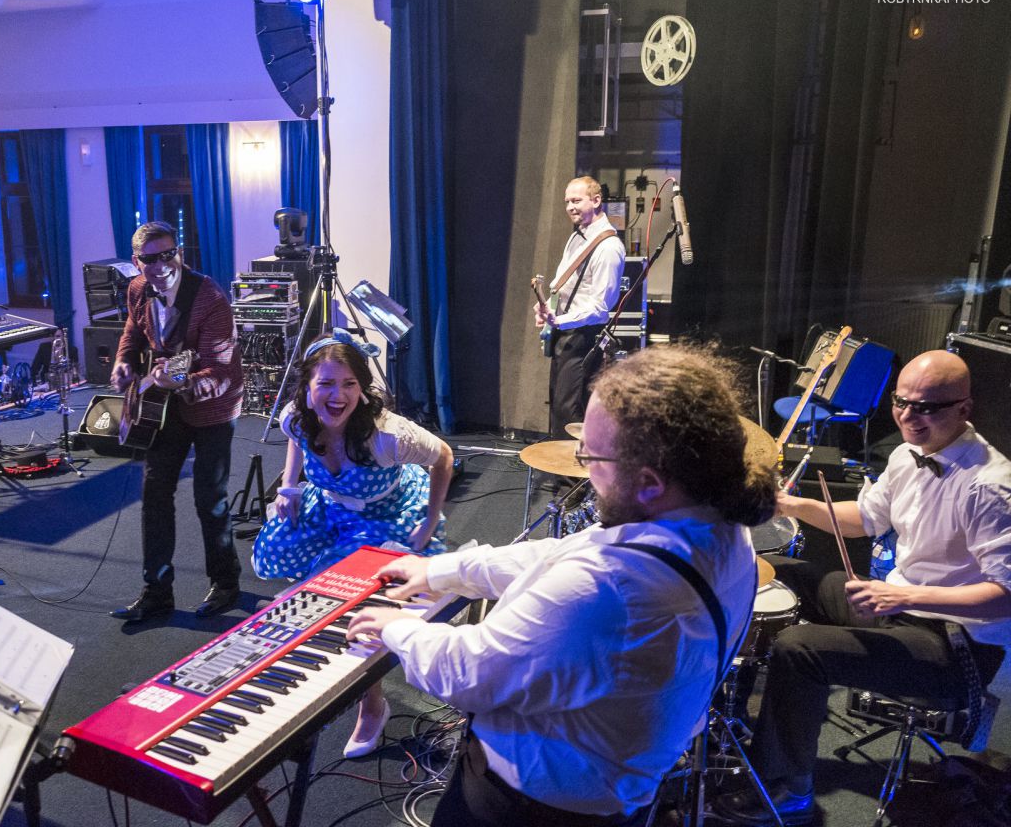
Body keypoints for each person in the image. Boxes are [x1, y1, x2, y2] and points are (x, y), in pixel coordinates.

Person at [348, 345, 774, 826]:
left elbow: (469, 676)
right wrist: (443, 571)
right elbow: (561, 553)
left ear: (651, 481)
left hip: (527, 811)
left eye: (590, 455)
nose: (584, 469)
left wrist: (397, 629)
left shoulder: (609, 588)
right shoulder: (719, 526)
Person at [716, 350, 1011, 826]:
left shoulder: (992, 486)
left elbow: (1005, 595)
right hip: (899, 609)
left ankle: (787, 790)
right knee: (769, 569)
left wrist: (904, 595)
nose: (908, 416)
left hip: (955, 646)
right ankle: (728, 711)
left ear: (964, 408)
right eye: (901, 402)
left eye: (925, 407)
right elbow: (865, 519)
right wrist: (790, 505)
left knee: (800, 649)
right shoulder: (907, 454)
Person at [252, 329, 454, 757]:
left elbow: (444, 458)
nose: (338, 395)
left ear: (361, 389)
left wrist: (431, 519)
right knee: (282, 554)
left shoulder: (389, 435)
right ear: (307, 388)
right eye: (326, 383)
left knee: (351, 605)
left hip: (386, 514)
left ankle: (372, 703)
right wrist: (289, 486)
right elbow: (296, 439)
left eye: (349, 384)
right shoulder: (295, 416)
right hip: (332, 507)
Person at [110, 221, 245, 621]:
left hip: (213, 405)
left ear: (179, 252)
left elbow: (220, 373)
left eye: (168, 255)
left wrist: (183, 381)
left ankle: (226, 583)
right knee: (154, 494)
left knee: (210, 498)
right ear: (137, 262)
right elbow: (133, 330)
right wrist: (124, 362)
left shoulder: (211, 299)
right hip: (162, 405)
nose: (161, 265)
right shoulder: (137, 288)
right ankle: (156, 591)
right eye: (150, 259)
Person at [534, 175, 626, 440]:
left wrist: (560, 321)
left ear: (596, 200)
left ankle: (572, 467)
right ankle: (557, 464)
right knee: (559, 404)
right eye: (567, 202)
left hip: (584, 336)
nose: (570, 207)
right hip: (566, 332)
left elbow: (601, 307)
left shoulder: (608, 247)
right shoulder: (578, 235)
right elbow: (562, 281)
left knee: (570, 409)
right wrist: (545, 307)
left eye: (576, 201)